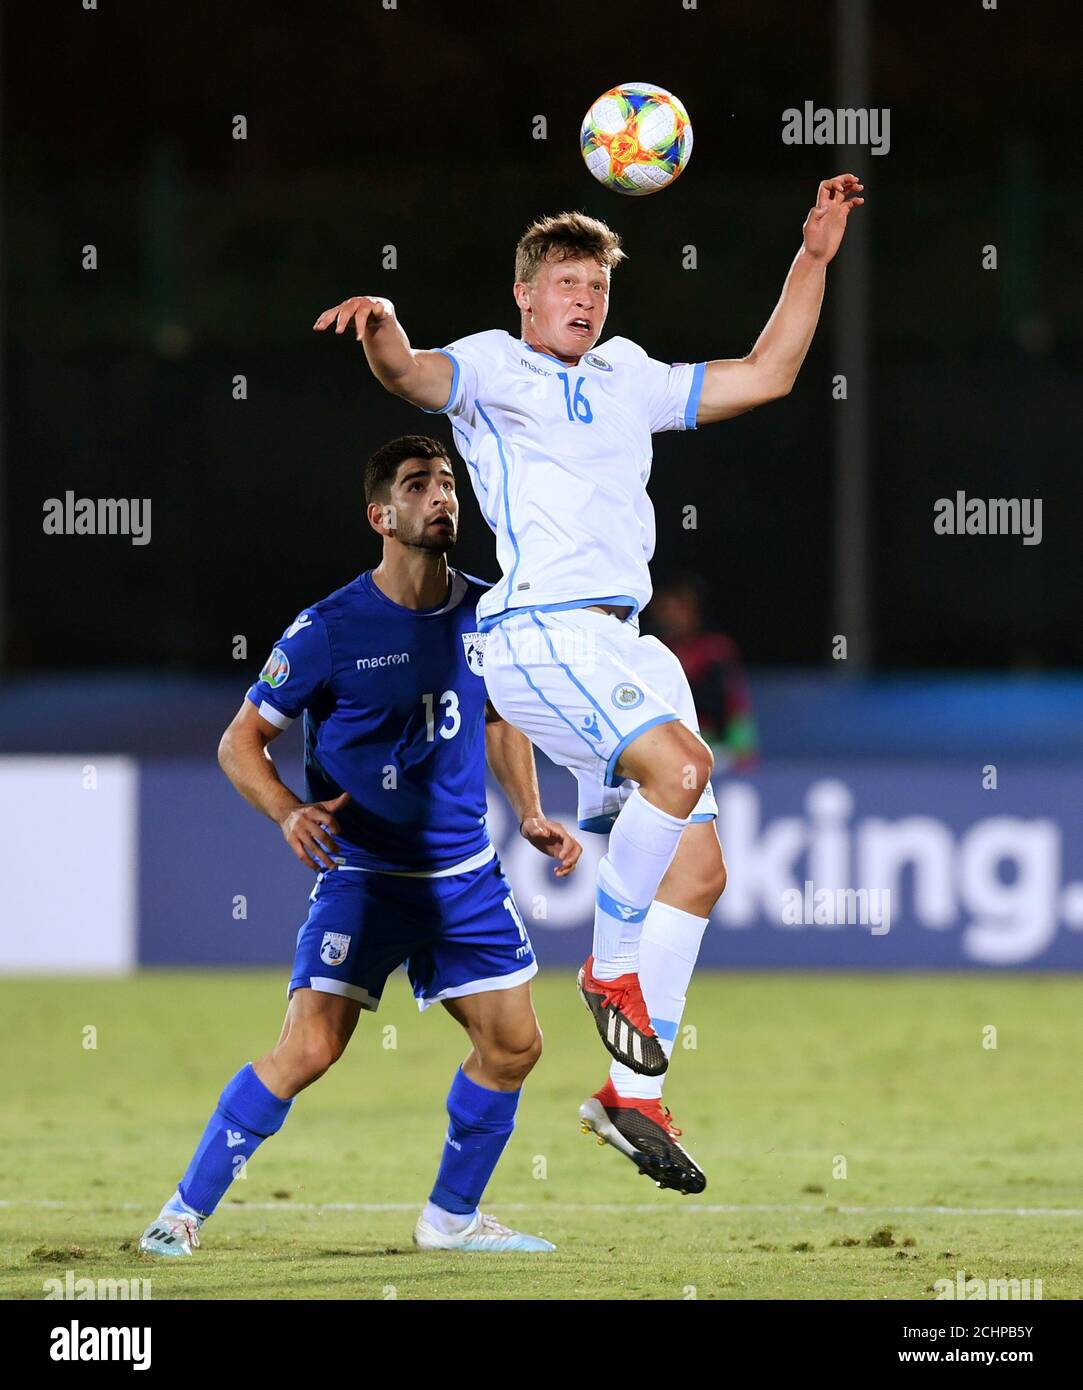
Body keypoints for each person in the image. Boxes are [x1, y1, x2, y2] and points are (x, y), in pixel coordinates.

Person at [312, 175, 863, 1191]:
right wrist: (382, 326)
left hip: (625, 643)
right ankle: (609, 967)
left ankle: (631, 1094)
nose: (584, 300)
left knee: (697, 873)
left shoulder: (625, 374)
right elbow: (411, 377)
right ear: (527, 295)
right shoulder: (493, 363)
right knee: (684, 767)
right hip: (537, 631)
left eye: (596, 286)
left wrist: (814, 258)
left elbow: (770, 372)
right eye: (566, 282)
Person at [138, 434, 581, 1257]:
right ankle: (181, 1213)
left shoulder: (490, 612)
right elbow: (241, 741)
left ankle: (449, 1221)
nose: (441, 496)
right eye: (419, 485)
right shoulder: (328, 629)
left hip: (464, 879)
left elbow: (498, 714)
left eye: (448, 482)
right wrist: (285, 811)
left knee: (515, 1045)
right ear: (381, 514)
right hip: (366, 879)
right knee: (307, 1048)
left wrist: (528, 810)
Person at [650, 579, 759, 772]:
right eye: (668, 610)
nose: (673, 617)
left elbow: (735, 706)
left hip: (715, 745)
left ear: (694, 612)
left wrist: (743, 751)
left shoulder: (716, 650)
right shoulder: (655, 653)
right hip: (671, 745)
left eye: (680, 609)